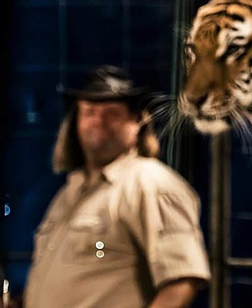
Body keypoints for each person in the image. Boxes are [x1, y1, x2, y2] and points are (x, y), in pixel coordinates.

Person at [24, 65, 211, 308]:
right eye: (89, 112)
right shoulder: (69, 193)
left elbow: (182, 280)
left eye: (112, 113)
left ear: (137, 123)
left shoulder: (150, 182)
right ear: (76, 122)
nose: (98, 121)